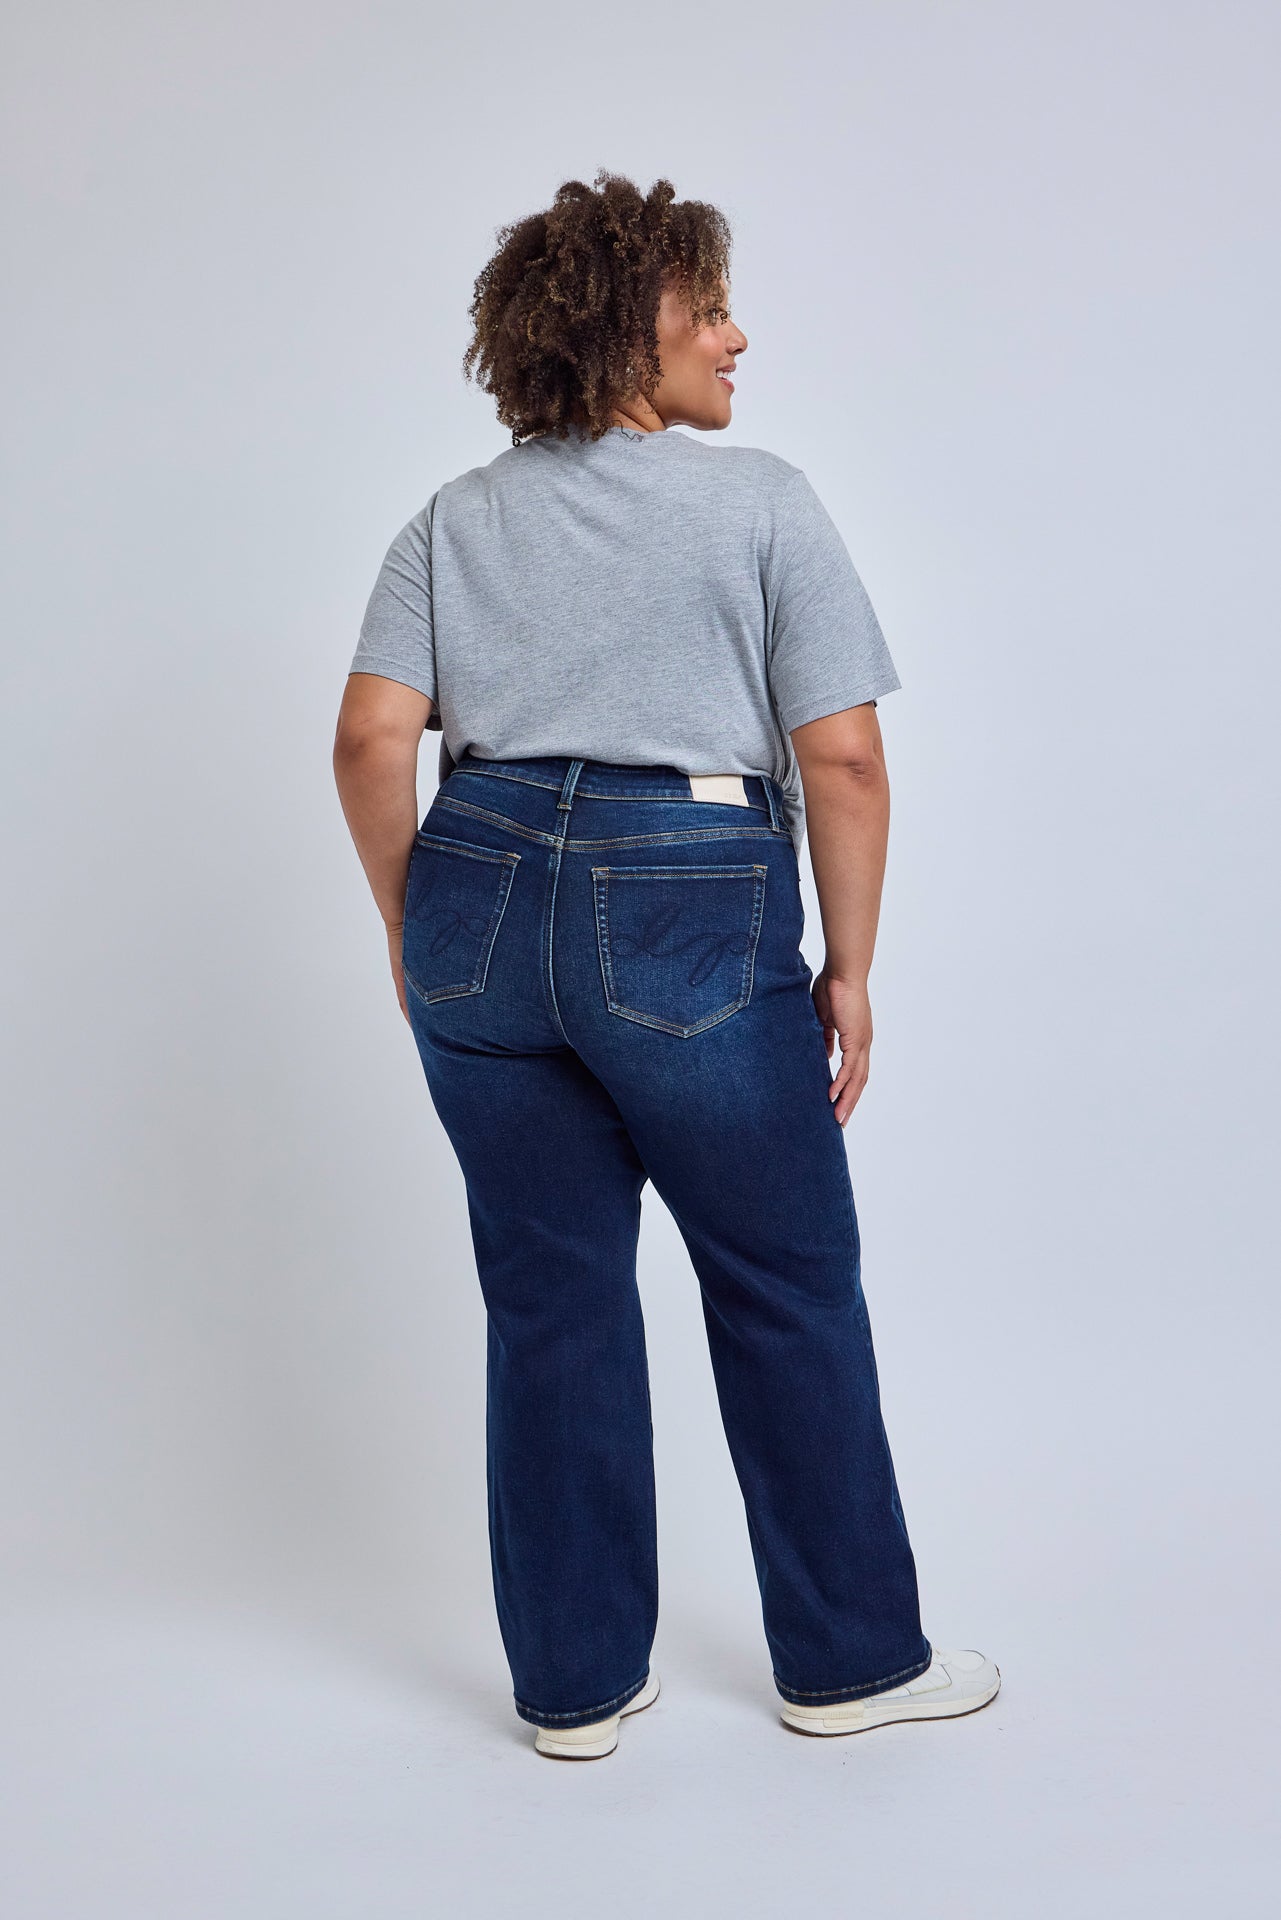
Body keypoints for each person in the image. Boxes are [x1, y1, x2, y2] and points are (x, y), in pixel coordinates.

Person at [333, 171, 999, 1760]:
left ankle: (572, 1692)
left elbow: (371, 736)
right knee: (779, 1287)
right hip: (688, 892)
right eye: (707, 310)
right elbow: (839, 761)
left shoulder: (452, 518)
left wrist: (412, 929)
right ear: (629, 331)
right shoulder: (760, 502)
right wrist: (848, 965)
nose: (735, 335)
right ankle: (847, 1666)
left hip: (476, 889)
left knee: (549, 1302)